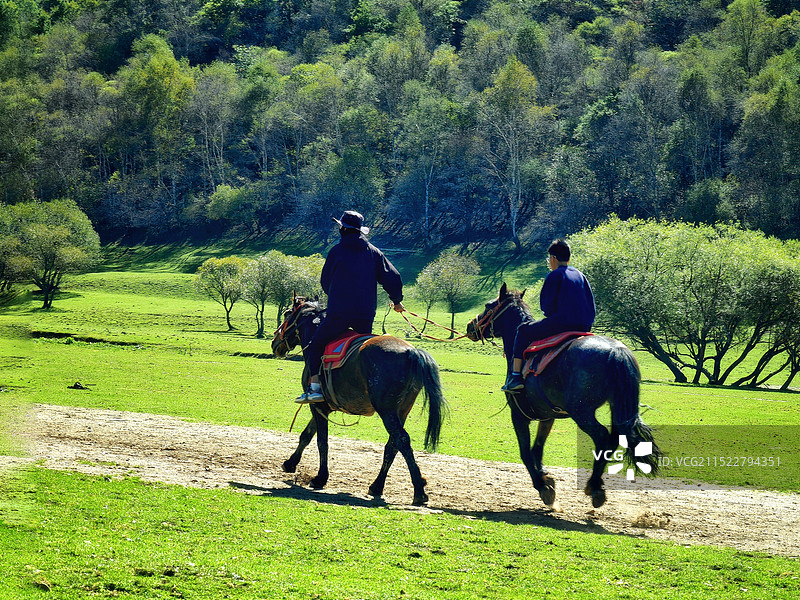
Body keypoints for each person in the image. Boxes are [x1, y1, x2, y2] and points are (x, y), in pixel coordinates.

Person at [296, 210, 406, 403]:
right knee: (364, 352)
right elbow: (393, 277)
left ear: (342, 229)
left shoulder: (336, 252)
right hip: (364, 317)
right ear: (360, 231)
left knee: (315, 346)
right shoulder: (374, 252)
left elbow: (325, 282)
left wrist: (337, 296)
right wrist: (396, 301)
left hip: (338, 314)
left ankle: (315, 388)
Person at [501, 238, 596, 392]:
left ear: (553, 258)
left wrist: (552, 314)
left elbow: (546, 307)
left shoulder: (554, 275)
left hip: (561, 324)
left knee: (523, 330)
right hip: (585, 325)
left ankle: (515, 376)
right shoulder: (581, 275)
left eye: (548, 259)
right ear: (569, 258)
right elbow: (591, 304)